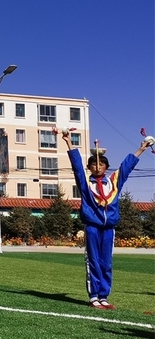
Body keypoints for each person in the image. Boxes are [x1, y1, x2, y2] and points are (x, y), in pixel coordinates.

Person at [62, 131, 149, 309]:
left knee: (106, 262)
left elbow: (127, 166)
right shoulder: (86, 182)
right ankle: (93, 296)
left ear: (106, 167)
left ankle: (104, 296)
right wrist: (68, 142)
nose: (98, 166)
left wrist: (141, 149)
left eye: (101, 164)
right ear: (90, 167)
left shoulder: (114, 182)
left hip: (109, 227)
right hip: (92, 226)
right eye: (94, 164)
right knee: (93, 260)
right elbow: (77, 166)